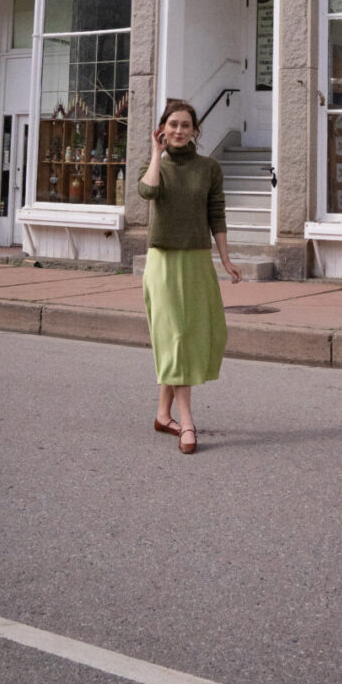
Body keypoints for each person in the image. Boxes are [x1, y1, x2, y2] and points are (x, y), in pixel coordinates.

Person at [138, 99, 241, 455]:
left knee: (189, 335)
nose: (179, 130)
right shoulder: (155, 166)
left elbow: (217, 215)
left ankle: (162, 415)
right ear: (162, 128)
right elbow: (148, 192)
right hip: (163, 261)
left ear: (195, 130)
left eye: (186, 125)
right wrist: (156, 153)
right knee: (176, 336)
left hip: (197, 261)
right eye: (173, 124)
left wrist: (226, 260)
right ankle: (187, 423)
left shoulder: (209, 168)